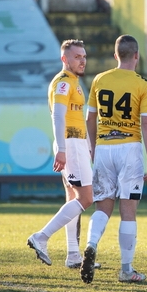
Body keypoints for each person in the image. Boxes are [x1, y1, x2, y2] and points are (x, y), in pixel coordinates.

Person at [80, 35, 147, 284]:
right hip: (129, 149)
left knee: (103, 207)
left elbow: (90, 118)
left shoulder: (99, 79)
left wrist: (92, 147)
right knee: (128, 211)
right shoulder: (143, 84)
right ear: (136, 56)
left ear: (116, 56)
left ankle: (91, 244)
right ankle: (126, 270)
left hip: (103, 148)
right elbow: (146, 122)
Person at [27, 39, 100, 270]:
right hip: (70, 144)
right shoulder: (62, 82)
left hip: (76, 143)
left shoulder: (74, 82)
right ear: (64, 59)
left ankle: (73, 255)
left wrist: (88, 144)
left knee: (72, 199)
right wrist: (62, 148)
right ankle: (41, 237)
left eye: (84, 56)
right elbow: (58, 116)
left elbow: (77, 116)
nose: (82, 60)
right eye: (77, 56)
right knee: (86, 199)